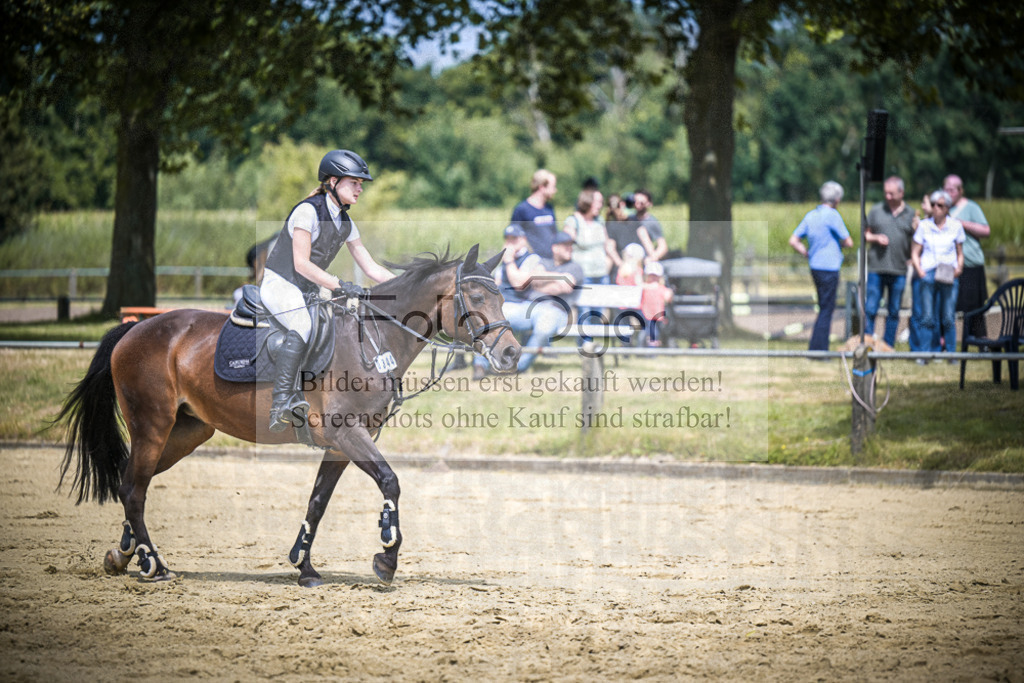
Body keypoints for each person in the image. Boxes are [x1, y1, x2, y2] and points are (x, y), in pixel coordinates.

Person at [260, 149, 394, 431]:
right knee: (303, 324)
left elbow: (371, 268)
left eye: (361, 184)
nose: (360, 188)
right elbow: (301, 264)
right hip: (281, 283)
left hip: (307, 289)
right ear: (333, 181)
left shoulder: (346, 222)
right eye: (354, 182)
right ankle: (281, 402)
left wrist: (405, 285)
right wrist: (339, 284)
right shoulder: (308, 211)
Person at [479, 229, 582, 375]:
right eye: (566, 245)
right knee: (491, 321)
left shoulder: (575, 267)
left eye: (571, 245)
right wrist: (556, 279)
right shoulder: (543, 262)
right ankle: (481, 364)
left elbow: (565, 285)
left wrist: (543, 281)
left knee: (543, 329)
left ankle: (517, 367)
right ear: (555, 248)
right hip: (530, 308)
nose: (570, 248)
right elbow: (536, 281)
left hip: (557, 310)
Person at [788, 181, 854, 352]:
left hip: (815, 266)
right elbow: (848, 241)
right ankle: (819, 349)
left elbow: (793, 240)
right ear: (837, 199)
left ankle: (817, 347)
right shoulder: (833, 216)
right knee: (827, 309)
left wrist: (806, 252)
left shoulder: (811, 215)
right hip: (830, 267)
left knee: (823, 307)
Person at [911, 189, 965, 358]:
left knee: (948, 317)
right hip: (928, 272)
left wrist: (959, 268)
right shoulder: (924, 225)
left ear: (947, 207)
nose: (936, 208)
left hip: (948, 273)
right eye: (933, 205)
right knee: (927, 317)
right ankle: (925, 354)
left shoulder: (955, 225)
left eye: (940, 205)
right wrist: (919, 270)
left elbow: (960, 252)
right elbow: (915, 252)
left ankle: (951, 354)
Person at [864, 176, 917, 347]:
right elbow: (866, 233)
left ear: (901, 193)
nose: (887, 196)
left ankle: (888, 345)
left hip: (899, 269)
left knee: (894, 310)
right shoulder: (876, 210)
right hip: (876, 268)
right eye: (885, 193)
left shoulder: (911, 214)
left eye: (891, 193)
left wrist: (913, 256)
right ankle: (867, 343)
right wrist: (875, 238)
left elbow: (918, 240)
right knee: (871, 308)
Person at [944, 174, 990, 338]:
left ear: (960, 190)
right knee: (952, 305)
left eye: (952, 190)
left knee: (975, 307)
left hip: (971, 264)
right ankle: (950, 341)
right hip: (951, 266)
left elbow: (986, 230)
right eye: (946, 189)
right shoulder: (943, 208)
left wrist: (962, 223)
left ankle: (979, 339)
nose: (949, 193)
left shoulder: (971, 207)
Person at [563, 188, 616, 326]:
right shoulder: (573, 221)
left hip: (601, 273)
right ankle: (585, 344)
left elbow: (607, 244)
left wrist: (617, 262)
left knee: (598, 312)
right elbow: (564, 247)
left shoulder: (600, 221)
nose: (600, 205)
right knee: (584, 311)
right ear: (587, 202)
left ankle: (594, 344)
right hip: (583, 274)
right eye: (597, 202)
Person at [511, 169, 559, 258]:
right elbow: (513, 238)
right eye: (553, 187)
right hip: (532, 263)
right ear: (542, 187)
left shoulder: (549, 208)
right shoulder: (522, 209)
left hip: (551, 261)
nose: (555, 190)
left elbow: (555, 234)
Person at [640, 261, 674, 347]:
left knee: (655, 332)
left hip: (658, 315)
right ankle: (650, 351)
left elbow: (667, 296)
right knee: (651, 333)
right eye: (651, 276)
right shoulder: (644, 287)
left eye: (655, 276)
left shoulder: (661, 288)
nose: (653, 278)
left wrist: (670, 293)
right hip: (646, 315)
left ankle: (653, 348)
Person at [630, 189, 668, 262]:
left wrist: (652, 258)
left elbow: (663, 246)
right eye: (635, 202)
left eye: (641, 203)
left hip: (644, 260)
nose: (637, 205)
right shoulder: (630, 219)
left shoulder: (652, 222)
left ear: (649, 204)